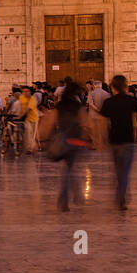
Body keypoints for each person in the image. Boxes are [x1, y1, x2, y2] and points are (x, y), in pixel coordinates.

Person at [100, 74, 137, 210]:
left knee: (119, 170)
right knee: (125, 170)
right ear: (125, 86)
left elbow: (102, 123)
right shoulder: (132, 100)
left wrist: (100, 139)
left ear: (112, 87)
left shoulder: (108, 102)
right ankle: (122, 196)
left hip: (114, 140)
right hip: (127, 140)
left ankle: (121, 193)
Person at [53, 81, 88, 212]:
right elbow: (84, 122)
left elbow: (51, 120)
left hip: (63, 139)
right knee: (70, 169)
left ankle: (69, 197)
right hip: (75, 140)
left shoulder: (60, 105)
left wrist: (40, 137)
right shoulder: (77, 105)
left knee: (68, 169)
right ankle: (71, 197)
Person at [19, 86, 40, 153]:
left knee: (32, 134)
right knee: (28, 132)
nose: (25, 93)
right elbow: (20, 106)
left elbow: (28, 108)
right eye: (24, 91)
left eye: (27, 91)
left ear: (30, 92)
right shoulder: (21, 98)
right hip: (27, 118)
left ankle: (30, 148)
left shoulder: (32, 99)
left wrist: (21, 116)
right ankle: (29, 148)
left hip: (34, 118)